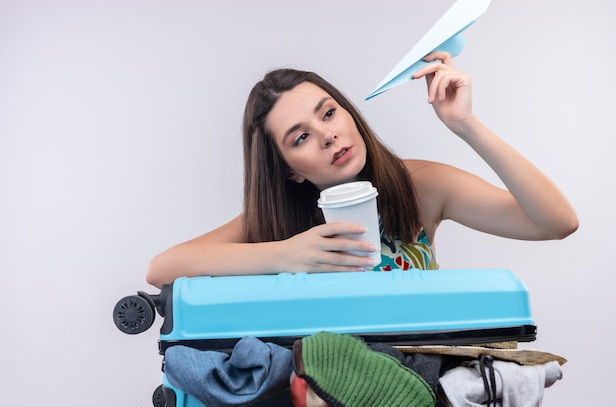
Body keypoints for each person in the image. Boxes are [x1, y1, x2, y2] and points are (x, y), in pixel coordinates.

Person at [146, 51, 578, 288]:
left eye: (328, 113)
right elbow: (162, 268)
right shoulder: (278, 223)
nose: (327, 135)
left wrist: (465, 125)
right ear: (290, 172)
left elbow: (557, 223)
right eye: (300, 137)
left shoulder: (422, 186)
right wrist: (286, 253)